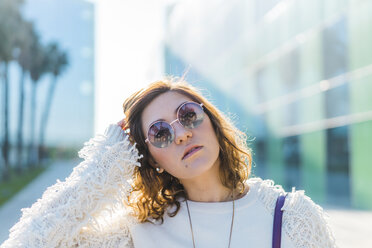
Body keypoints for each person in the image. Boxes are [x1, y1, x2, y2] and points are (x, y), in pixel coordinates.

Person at [1, 78, 337, 248]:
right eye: (159, 133)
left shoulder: (290, 217)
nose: (180, 134)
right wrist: (104, 165)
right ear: (151, 159)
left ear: (212, 121)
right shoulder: (137, 234)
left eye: (188, 115)